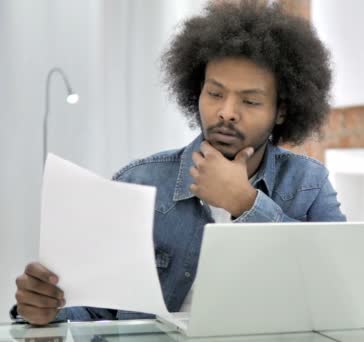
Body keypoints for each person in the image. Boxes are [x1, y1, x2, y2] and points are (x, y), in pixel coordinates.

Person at [12, 0, 345, 325]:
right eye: (215, 94)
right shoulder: (138, 181)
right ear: (196, 92)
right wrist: (46, 311)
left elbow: (341, 291)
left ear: (281, 110)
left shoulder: (309, 184)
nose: (226, 111)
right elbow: (96, 310)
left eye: (250, 100)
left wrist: (245, 204)